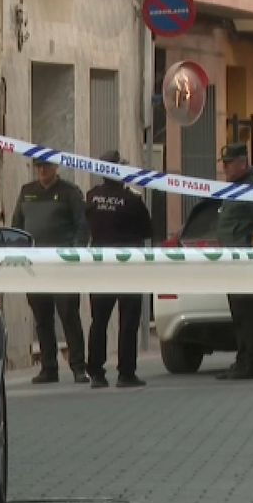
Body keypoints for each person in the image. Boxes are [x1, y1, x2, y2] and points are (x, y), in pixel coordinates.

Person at [11, 159, 90, 384]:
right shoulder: (27, 192)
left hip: (62, 267)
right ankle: (49, 367)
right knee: (42, 318)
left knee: (68, 316)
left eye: (46, 166)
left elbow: (82, 226)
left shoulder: (69, 192)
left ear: (56, 168)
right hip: (35, 267)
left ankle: (78, 367)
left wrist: (75, 254)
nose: (42, 170)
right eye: (39, 167)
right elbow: (17, 225)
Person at [84, 151, 153, 389]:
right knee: (128, 321)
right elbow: (148, 230)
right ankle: (126, 373)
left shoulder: (92, 197)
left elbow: (86, 227)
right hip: (128, 266)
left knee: (99, 320)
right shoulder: (133, 200)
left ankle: (96, 372)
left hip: (100, 266)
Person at [214, 143, 253, 381]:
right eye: (224, 164)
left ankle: (251, 362)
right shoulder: (235, 189)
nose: (226, 168)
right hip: (232, 260)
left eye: (229, 164)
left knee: (247, 313)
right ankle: (243, 360)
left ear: (243, 163)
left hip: (245, 260)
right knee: (239, 313)